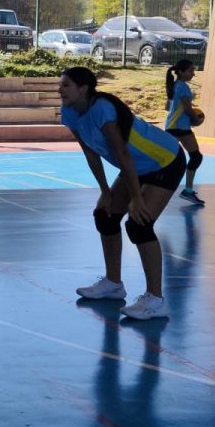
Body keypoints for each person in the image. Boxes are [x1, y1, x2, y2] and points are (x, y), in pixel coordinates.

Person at [60, 66, 186, 320]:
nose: (60, 90)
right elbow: (91, 154)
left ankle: (156, 300)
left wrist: (137, 199)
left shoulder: (102, 109)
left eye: (66, 85)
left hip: (165, 160)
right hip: (136, 166)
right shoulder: (70, 113)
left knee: (139, 225)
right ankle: (113, 284)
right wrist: (106, 191)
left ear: (83, 88)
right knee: (105, 215)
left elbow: (123, 154)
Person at [165, 60, 205, 206]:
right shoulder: (183, 87)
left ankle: (147, 185)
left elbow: (167, 107)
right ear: (181, 72)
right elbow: (188, 109)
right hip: (179, 127)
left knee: (167, 159)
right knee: (196, 157)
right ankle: (187, 191)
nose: (193, 74)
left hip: (172, 126)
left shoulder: (174, 85)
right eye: (190, 71)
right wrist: (196, 119)